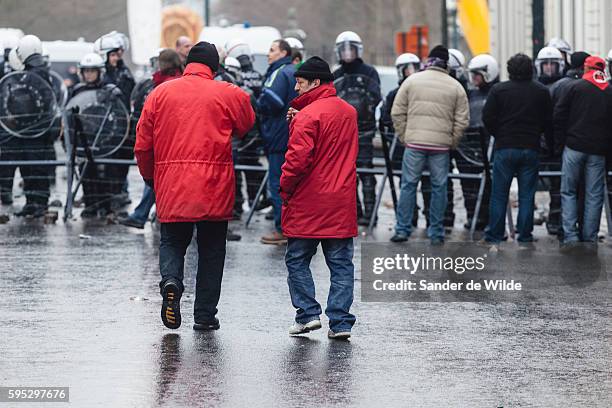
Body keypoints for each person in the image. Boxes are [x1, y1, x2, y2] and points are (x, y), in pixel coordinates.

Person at [135, 42, 255, 330]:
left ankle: (172, 282)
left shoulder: (159, 94)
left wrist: (151, 178)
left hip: (173, 184)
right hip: (215, 185)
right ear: (214, 67)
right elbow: (247, 123)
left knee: (173, 241)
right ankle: (204, 315)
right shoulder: (228, 93)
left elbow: (142, 144)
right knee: (212, 250)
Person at [281, 56, 358, 339]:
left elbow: (297, 161)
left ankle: (307, 314)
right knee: (340, 264)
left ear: (315, 82)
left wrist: (285, 189)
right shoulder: (348, 112)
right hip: (341, 201)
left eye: (300, 83)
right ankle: (340, 322)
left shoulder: (309, 116)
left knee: (297, 259)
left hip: (308, 201)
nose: (296, 89)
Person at [390, 45, 469, 245]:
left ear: (429, 61)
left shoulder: (412, 81)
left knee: (408, 185)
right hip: (441, 147)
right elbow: (462, 120)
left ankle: (402, 229)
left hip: (414, 144)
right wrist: (452, 140)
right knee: (439, 188)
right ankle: (436, 231)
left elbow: (397, 112)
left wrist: (404, 136)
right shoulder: (456, 86)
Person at [481, 53, 553, 247]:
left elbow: (487, 117)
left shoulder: (499, 90)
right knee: (527, 195)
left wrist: (499, 134)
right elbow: (548, 121)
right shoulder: (541, 91)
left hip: (505, 147)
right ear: (531, 69)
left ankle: (495, 234)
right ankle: (525, 235)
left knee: (499, 194)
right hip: (530, 147)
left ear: (509, 70)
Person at [119, 49, 183, 228]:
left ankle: (143, 215)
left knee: (156, 179)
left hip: (164, 141)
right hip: (175, 140)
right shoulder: (177, 81)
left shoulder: (160, 85)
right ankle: (146, 214)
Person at [555, 56, 612, 249]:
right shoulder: (609, 91)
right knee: (594, 195)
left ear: (586, 68)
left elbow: (559, 116)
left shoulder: (575, 87)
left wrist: (560, 143)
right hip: (598, 151)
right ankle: (590, 237)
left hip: (574, 147)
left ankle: (571, 236)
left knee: (569, 191)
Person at [333, 31, 381, 226]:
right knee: (347, 175)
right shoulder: (336, 74)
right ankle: (354, 212)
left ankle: (370, 213)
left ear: (357, 49)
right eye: (343, 49)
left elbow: (376, 96)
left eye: (350, 49)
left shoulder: (369, 72)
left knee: (366, 172)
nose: (347, 53)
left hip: (365, 130)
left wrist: (367, 110)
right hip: (343, 132)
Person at [68, 52, 126, 218]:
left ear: (100, 71)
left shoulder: (110, 91)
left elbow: (120, 115)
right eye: (86, 71)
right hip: (84, 137)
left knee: (107, 173)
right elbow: (70, 113)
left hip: (106, 137)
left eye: (92, 71)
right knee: (86, 173)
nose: (89, 74)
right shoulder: (77, 90)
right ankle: (90, 204)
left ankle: (107, 206)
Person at [257, 39, 297, 244]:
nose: (268, 54)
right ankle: (296, 228)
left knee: (278, 184)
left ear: (283, 53)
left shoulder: (279, 73)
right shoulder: (294, 71)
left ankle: (282, 229)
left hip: (279, 136)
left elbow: (272, 101)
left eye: (272, 50)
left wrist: (255, 102)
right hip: (294, 136)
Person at [10, 35, 55, 217]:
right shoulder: (40, 71)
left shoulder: (34, 74)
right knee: (31, 166)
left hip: (33, 128)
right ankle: (32, 202)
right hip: (37, 128)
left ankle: (39, 203)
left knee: (35, 167)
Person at [224, 39, 269, 213]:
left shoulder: (233, 80)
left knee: (238, 170)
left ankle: (238, 203)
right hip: (254, 130)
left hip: (241, 132)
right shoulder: (258, 75)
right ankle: (254, 200)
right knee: (250, 166)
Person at [458, 53, 500, 230]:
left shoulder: (496, 93)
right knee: (469, 185)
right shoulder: (469, 94)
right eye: (472, 74)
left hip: (490, 145)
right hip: (470, 145)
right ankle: (472, 216)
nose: (473, 78)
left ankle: (488, 218)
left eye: (477, 74)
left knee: (489, 186)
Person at [94, 32, 136, 210]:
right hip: (106, 127)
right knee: (106, 166)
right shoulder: (100, 77)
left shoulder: (124, 73)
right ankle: (105, 198)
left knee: (122, 161)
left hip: (123, 125)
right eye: (112, 55)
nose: (116, 58)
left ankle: (118, 193)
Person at [379, 53, 421, 226]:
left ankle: (413, 217)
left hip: (416, 142)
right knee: (406, 183)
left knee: (424, 183)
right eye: (408, 69)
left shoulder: (421, 91)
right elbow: (385, 118)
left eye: (414, 68)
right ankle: (409, 216)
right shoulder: (394, 94)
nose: (412, 73)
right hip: (401, 145)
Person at [535, 46, 566, 236]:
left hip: (555, 142)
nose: (548, 68)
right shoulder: (536, 86)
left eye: (552, 64)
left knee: (558, 186)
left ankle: (555, 219)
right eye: (545, 64)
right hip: (538, 142)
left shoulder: (562, 86)